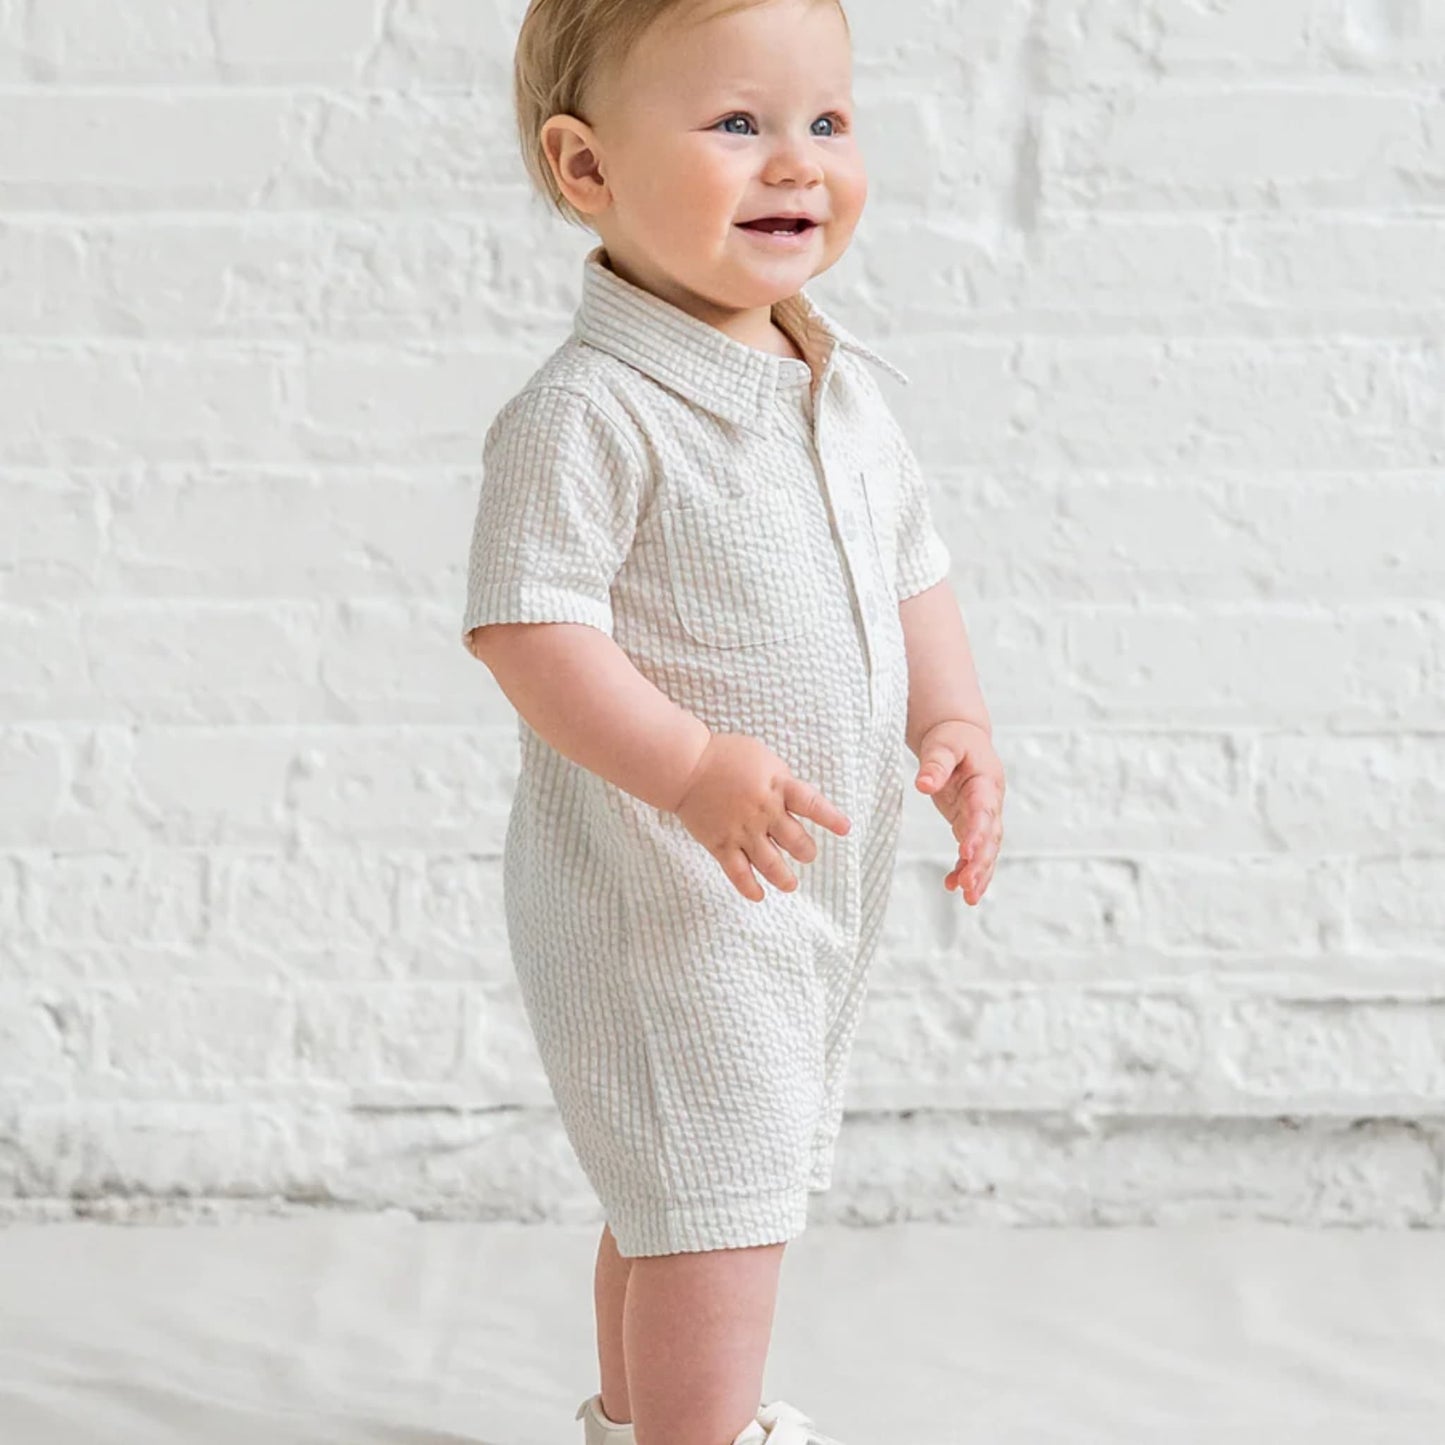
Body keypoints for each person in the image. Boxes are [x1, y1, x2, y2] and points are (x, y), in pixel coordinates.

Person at [461, 0, 1005, 1440]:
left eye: (825, 121)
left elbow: (909, 563)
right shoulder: (591, 411)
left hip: (783, 890)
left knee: (678, 1188)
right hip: (663, 891)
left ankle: (631, 1423)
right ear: (586, 167)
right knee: (722, 1204)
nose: (797, 161)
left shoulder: (837, 387)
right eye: (736, 124)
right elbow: (528, 629)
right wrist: (689, 764)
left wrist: (951, 713)